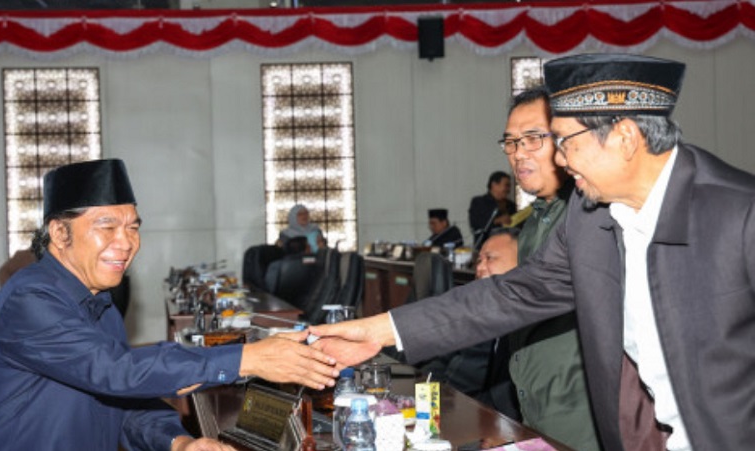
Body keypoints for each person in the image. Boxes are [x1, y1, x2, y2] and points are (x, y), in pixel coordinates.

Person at [310, 54, 755, 451]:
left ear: (624, 137)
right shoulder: (589, 217)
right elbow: (511, 296)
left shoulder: (740, 216)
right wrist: (375, 331)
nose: (560, 160)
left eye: (566, 142)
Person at [0, 159, 341, 451]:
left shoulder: (100, 304)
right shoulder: (30, 299)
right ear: (60, 233)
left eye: (133, 228)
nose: (126, 243)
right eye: (107, 227)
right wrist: (248, 358)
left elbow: (121, 401)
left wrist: (179, 442)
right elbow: (116, 372)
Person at [497, 87, 599, 450]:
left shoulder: (591, 216)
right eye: (510, 142)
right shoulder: (534, 221)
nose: (518, 153)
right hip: (534, 412)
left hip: (582, 420)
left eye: (533, 139)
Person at [417, 228, 519, 400]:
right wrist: (420, 391)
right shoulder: (477, 307)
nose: (479, 267)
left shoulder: (525, 320)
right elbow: (443, 359)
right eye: (478, 260)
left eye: (490, 258)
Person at [468, 171, 517, 248]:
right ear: (494, 185)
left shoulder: (511, 205)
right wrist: (497, 220)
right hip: (486, 246)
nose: (509, 189)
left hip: (507, 247)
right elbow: (476, 224)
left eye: (509, 186)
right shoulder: (479, 202)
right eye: (506, 185)